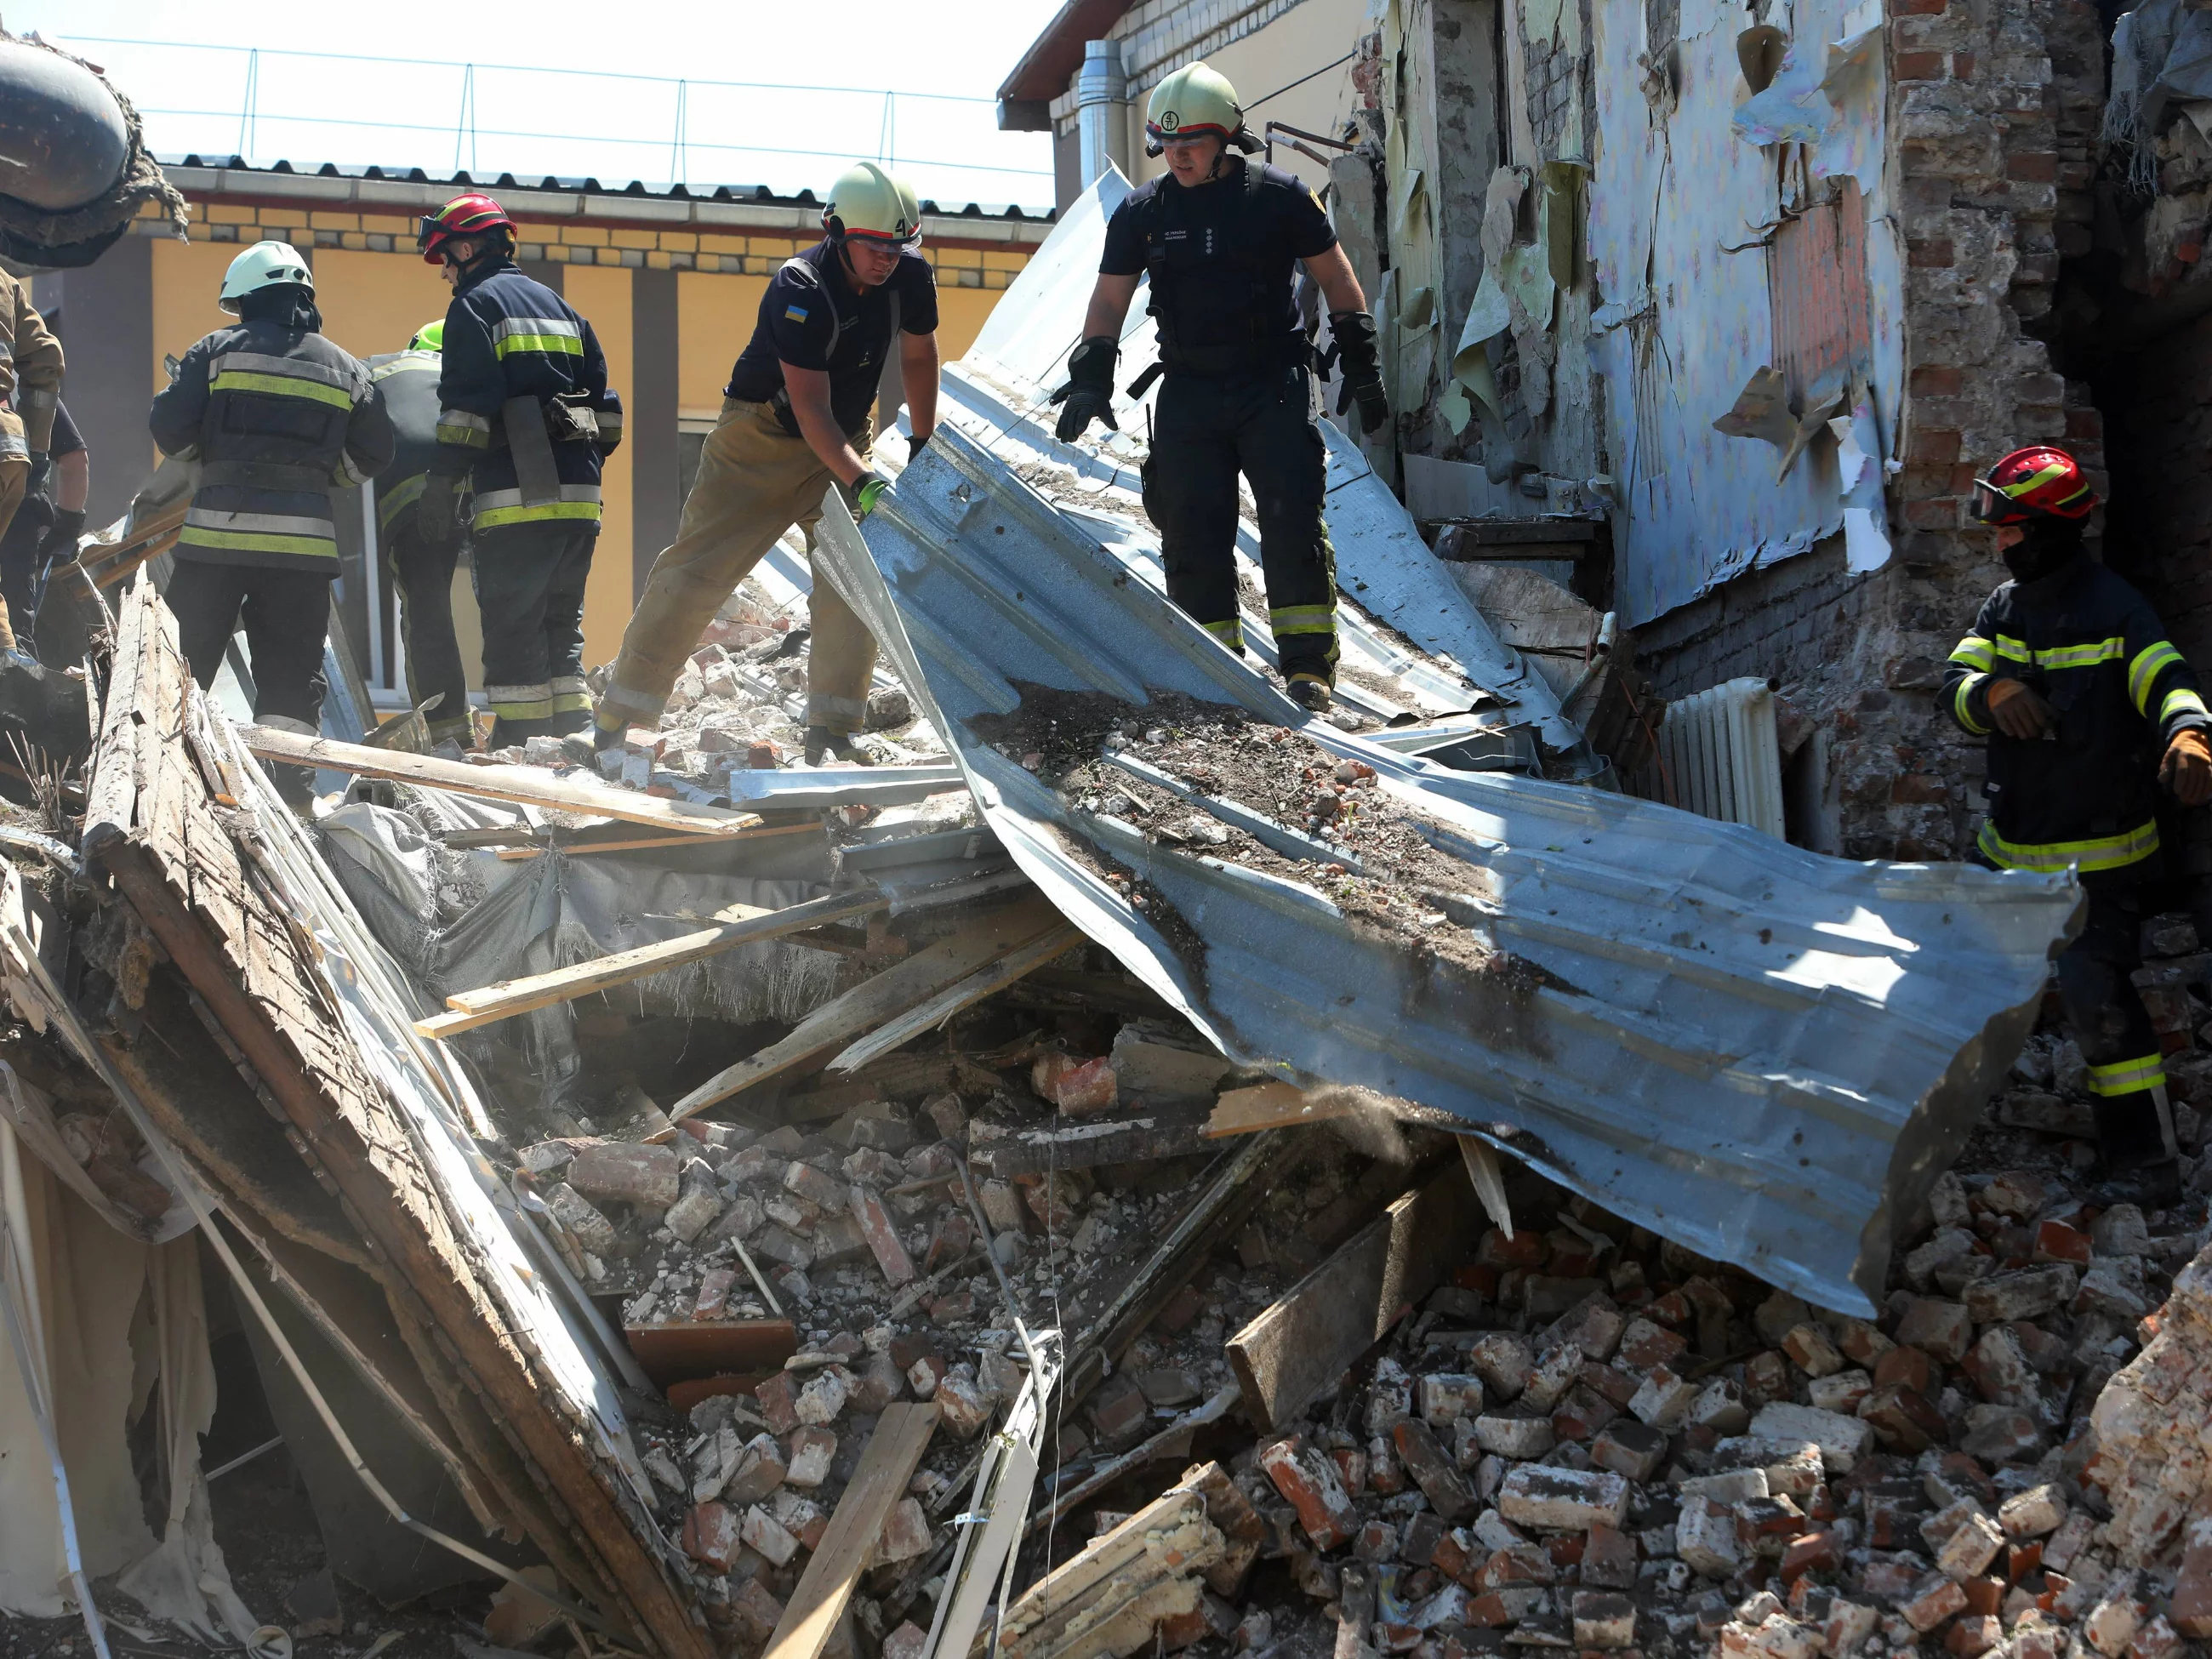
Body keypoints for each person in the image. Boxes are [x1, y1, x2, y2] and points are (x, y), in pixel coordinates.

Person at [1052, 60, 1389, 714]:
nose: (1178, 156)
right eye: (1168, 144)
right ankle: (1210, 673)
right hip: (1189, 391)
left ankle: (1308, 670)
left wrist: (1363, 363)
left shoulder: (1282, 198)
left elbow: (1340, 282)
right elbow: (1107, 304)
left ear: (1227, 138)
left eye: (1193, 143)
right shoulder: (1142, 214)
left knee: (1292, 523)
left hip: (1274, 386)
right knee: (1191, 530)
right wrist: (1092, 375)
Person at [592, 160, 939, 764]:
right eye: (876, 247)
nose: (888, 259)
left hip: (844, 434)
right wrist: (860, 481)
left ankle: (833, 729)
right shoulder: (798, 288)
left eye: (898, 246)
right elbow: (808, 407)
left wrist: (923, 446)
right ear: (839, 233)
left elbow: (919, 357)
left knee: (854, 580)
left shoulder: (908, 276)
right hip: (759, 440)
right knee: (696, 574)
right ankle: (623, 715)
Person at [1941, 444, 2212, 1201]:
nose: (2001, 541)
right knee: (1955, 986)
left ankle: (2147, 1170)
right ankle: (1955, 1150)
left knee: (2101, 1010)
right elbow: (1952, 684)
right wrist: (1991, 692)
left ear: (2053, 530)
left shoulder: (2115, 607)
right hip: (2010, 852)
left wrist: (2190, 734)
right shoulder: (2001, 608)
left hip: (2101, 859)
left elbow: (2167, 678)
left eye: (2012, 528)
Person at [149, 241, 393, 805]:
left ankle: (168, 785)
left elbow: (168, 429)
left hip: (216, 545)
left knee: (183, 667)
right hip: (299, 555)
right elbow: (375, 452)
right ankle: (291, 798)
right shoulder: (347, 369)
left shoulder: (214, 351)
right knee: (290, 679)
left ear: (249, 298)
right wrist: (322, 478)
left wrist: (206, 458)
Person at [418, 193, 623, 746]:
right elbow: (608, 419)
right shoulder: (562, 309)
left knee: (514, 630)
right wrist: (565, 448)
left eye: (447, 260)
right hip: (582, 498)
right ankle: (574, 745)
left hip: (517, 500)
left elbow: (467, 411)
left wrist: (441, 485)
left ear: (467, 246)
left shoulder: (475, 307)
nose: (447, 275)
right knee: (562, 632)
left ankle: (523, 753)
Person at [366, 318, 471, 748]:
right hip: (488, 491)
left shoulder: (379, 368)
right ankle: (526, 728)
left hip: (414, 501)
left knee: (426, 610)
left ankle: (447, 731)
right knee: (509, 609)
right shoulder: (471, 377)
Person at [0, 269, 64, 659]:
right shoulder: (5, 281)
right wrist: (37, 453)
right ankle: (13, 677)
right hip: (8, 451)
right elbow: (46, 359)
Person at [0, 390, 88, 633]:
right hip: (16, 529)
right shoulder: (27, 385)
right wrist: (66, 528)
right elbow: (75, 460)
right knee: (14, 640)